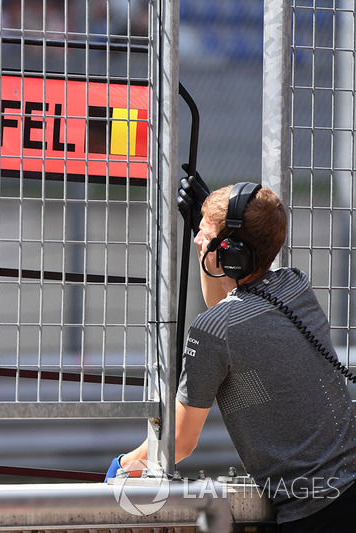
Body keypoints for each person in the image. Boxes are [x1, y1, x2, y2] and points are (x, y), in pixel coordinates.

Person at [106, 173, 356, 532]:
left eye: (204, 236)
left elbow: (180, 442)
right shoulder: (295, 285)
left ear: (232, 255)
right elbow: (228, 309)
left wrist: (123, 465)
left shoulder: (214, 331)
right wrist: (211, 234)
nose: (197, 239)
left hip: (315, 513)